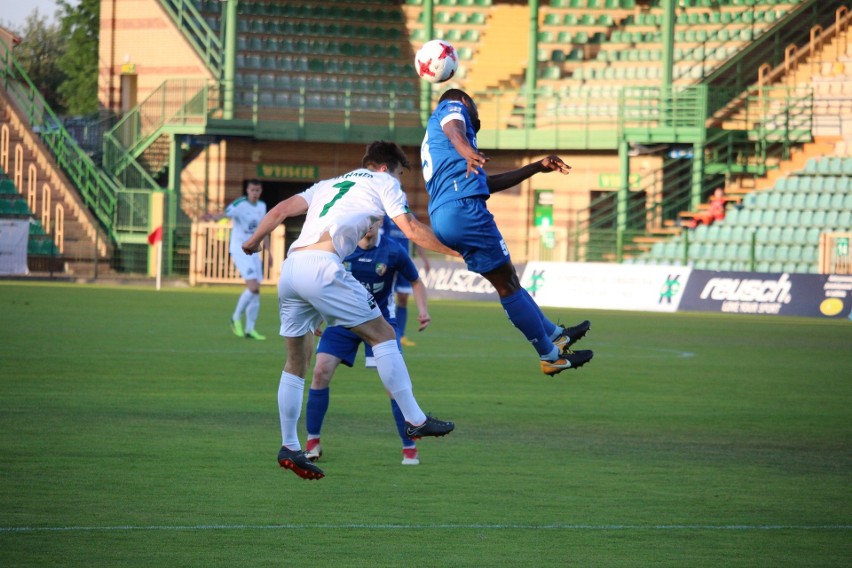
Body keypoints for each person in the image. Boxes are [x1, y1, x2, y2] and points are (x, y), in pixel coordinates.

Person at [242, 141, 457, 480]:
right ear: (386, 168)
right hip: (324, 268)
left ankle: (289, 446)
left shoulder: (328, 184)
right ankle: (415, 420)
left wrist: (253, 241)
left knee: (296, 362)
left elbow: (281, 209)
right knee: (383, 334)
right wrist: (459, 252)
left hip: (292, 268)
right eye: (400, 174)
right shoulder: (383, 182)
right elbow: (411, 229)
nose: (399, 182)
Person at [421, 88, 593, 376]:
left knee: (508, 279)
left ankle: (556, 335)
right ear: (464, 101)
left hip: (445, 215)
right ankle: (550, 356)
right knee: (508, 286)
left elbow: (485, 184)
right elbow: (454, 129)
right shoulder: (452, 108)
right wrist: (468, 150)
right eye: (473, 105)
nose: (476, 112)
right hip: (464, 210)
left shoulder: (444, 153)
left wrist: (536, 167)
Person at [304, 220, 430, 466]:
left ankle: (409, 446)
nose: (369, 226)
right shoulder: (341, 248)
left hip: (380, 323)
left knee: (393, 384)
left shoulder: (393, 250)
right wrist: (316, 315)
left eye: (374, 221)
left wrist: (423, 310)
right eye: (366, 221)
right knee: (320, 371)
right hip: (343, 320)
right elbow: (323, 283)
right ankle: (312, 442)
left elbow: (415, 281)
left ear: (380, 222)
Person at [206, 179, 268, 340]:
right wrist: (213, 217)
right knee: (253, 287)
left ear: (260, 191)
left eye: (258, 190)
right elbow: (225, 214)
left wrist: (269, 252)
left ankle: (250, 329)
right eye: (252, 190)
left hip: (254, 249)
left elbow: (264, 229)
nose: (255, 193)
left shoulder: (262, 206)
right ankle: (235, 318)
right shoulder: (240, 203)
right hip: (240, 249)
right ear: (247, 190)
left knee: (256, 291)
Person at [381, 214, 431, 347]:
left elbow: (417, 239)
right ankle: (381, 333)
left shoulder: (410, 217)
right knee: (384, 297)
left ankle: (401, 335)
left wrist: (425, 259)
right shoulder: (385, 218)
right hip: (386, 262)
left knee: (403, 298)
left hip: (404, 262)